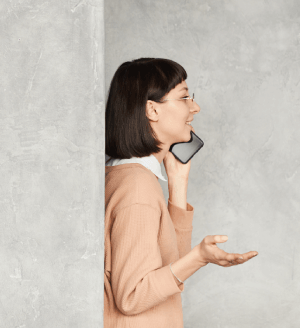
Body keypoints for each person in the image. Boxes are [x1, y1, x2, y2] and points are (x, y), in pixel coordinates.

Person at [104, 58, 257, 327]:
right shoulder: (136, 187)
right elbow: (132, 296)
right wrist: (199, 258)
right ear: (152, 109)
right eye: (184, 97)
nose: (195, 108)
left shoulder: (131, 177)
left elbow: (169, 268)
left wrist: (177, 182)